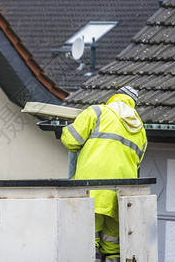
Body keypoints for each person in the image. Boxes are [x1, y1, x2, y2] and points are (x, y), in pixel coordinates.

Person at [61, 86, 147, 262]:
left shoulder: (98, 112)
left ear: (114, 97)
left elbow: (71, 141)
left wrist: (68, 127)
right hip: (121, 196)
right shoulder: (142, 131)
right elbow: (137, 161)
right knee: (113, 244)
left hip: (92, 190)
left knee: (87, 239)